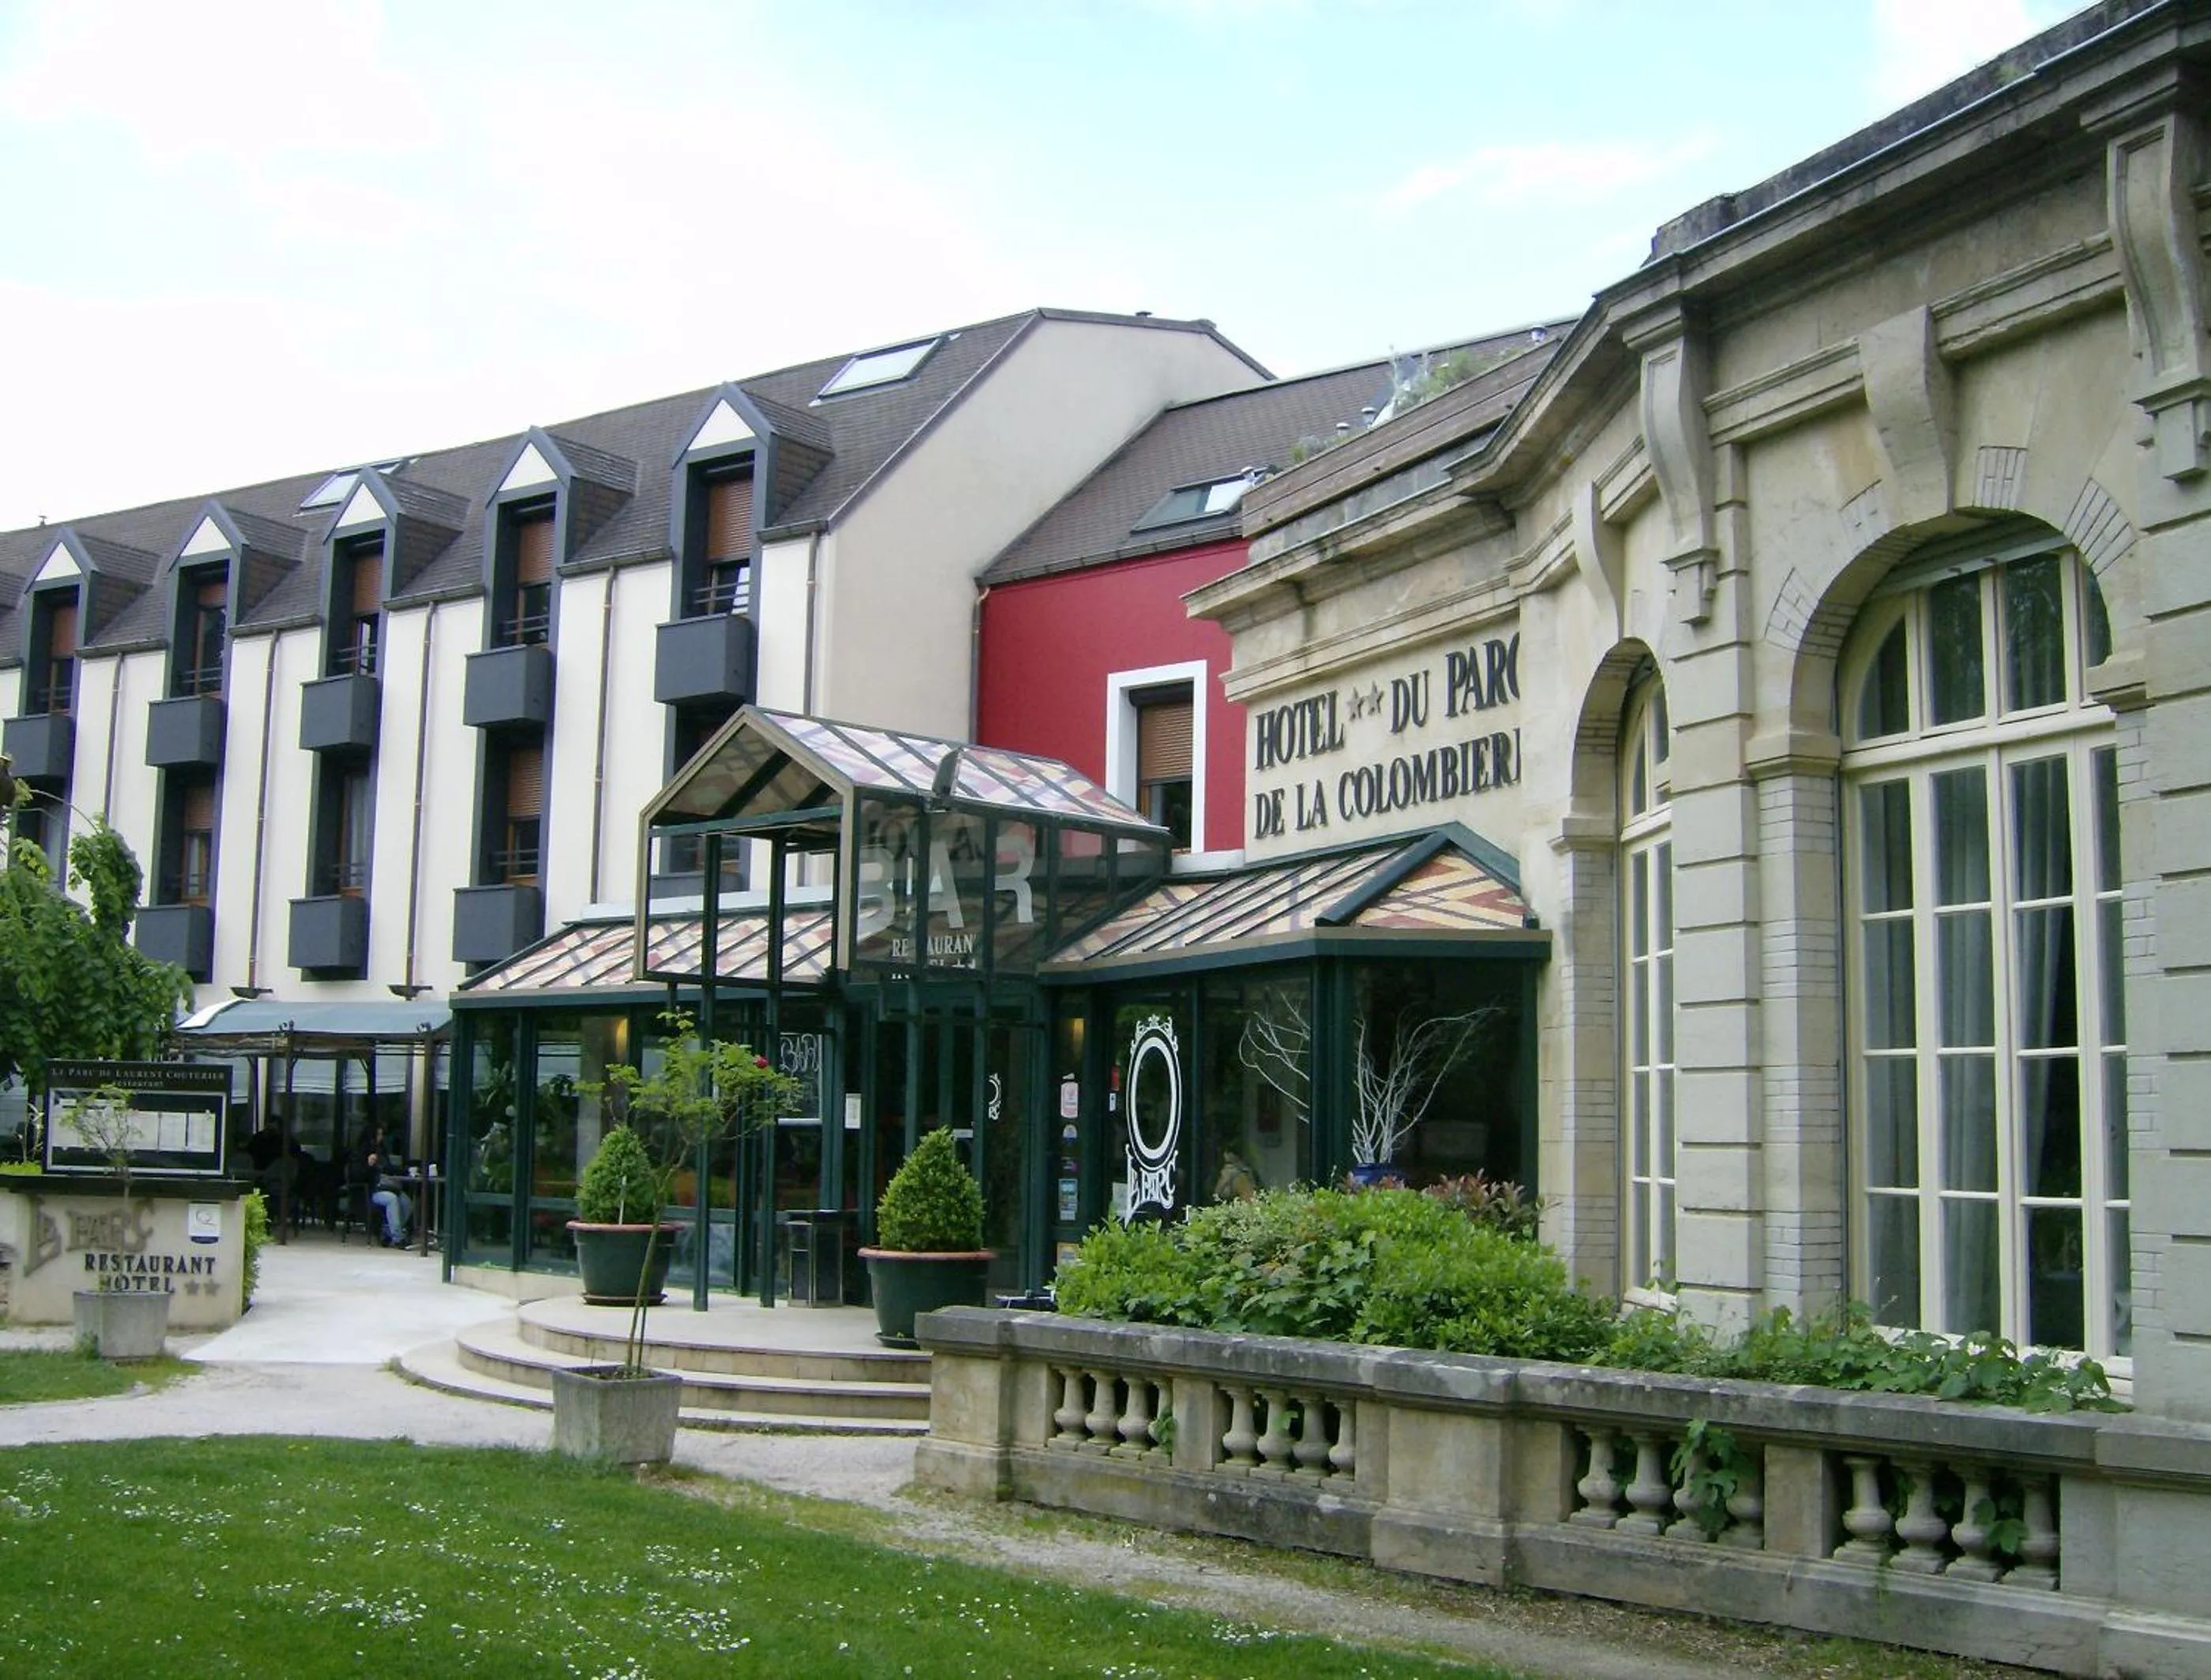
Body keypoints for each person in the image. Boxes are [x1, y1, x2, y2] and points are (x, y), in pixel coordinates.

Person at [350, 1122, 412, 1247]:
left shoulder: (381, 1151)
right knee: (392, 1200)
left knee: (406, 1202)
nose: (381, 1138)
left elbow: (389, 1169)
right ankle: (398, 1237)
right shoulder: (360, 1153)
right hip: (372, 1190)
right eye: (378, 1135)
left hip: (388, 1187)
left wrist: (406, 1171)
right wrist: (368, 1166)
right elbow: (355, 1174)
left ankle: (386, 1232)